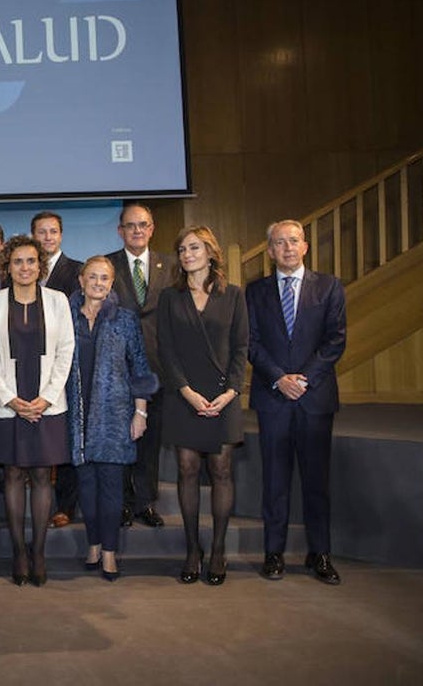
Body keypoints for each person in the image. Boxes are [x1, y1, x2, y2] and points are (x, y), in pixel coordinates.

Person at [247, 220, 346, 585]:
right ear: (270, 251)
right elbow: (252, 343)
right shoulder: (254, 292)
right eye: (279, 243)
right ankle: (273, 553)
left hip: (314, 398)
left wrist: (302, 379)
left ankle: (319, 553)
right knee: (275, 480)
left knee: (317, 481)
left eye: (293, 241)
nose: (287, 248)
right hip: (273, 399)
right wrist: (279, 379)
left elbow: (335, 341)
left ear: (305, 246)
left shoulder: (330, 286)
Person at [157, 225, 248, 586]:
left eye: (193, 247)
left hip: (224, 395)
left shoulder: (234, 295)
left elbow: (241, 348)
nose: (186, 254)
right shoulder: (170, 297)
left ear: (210, 252)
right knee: (187, 469)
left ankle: (219, 549)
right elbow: (166, 350)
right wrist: (186, 391)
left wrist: (230, 393)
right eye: (181, 249)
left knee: (222, 471)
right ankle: (193, 549)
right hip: (184, 396)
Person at [0, 235, 74, 586]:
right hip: (7, 404)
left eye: (31, 261)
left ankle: (39, 551)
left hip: (47, 404)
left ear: (41, 265)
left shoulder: (57, 300)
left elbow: (66, 351)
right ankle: (18, 551)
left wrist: (47, 398)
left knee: (41, 476)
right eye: (18, 261)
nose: (25, 267)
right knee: (14, 475)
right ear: (8, 266)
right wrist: (10, 399)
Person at [65, 257, 159, 581]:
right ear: (81, 279)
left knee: (111, 487)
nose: (99, 283)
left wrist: (141, 412)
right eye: (93, 277)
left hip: (115, 415)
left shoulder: (125, 319)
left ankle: (109, 552)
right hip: (76, 416)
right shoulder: (64, 316)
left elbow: (140, 368)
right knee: (86, 487)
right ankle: (92, 543)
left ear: (112, 282)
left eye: (105, 278)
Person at [108, 202, 175, 528]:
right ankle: (121, 502)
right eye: (130, 225)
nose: (137, 230)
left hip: (158, 368)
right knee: (121, 438)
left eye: (143, 225)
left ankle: (145, 502)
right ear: (120, 230)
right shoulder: (107, 265)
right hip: (117, 371)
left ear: (152, 229)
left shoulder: (172, 266)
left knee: (150, 439)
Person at [29, 211, 83, 527]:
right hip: (28, 368)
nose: (47, 237)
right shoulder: (23, 271)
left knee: (64, 439)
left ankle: (65, 505)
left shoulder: (76, 271)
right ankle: (38, 500)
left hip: (66, 367)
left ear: (61, 235)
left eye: (53, 232)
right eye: (41, 232)